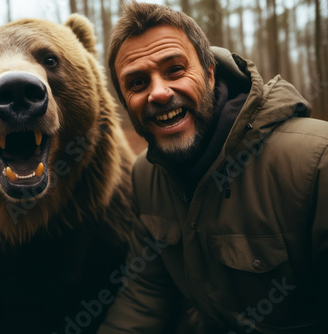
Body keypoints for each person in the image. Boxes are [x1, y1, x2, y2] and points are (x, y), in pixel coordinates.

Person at [98, 2, 328, 333]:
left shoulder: (315, 164)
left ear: (209, 73)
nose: (158, 93)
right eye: (137, 83)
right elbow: (144, 295)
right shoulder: (146, 178)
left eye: (175, 70)